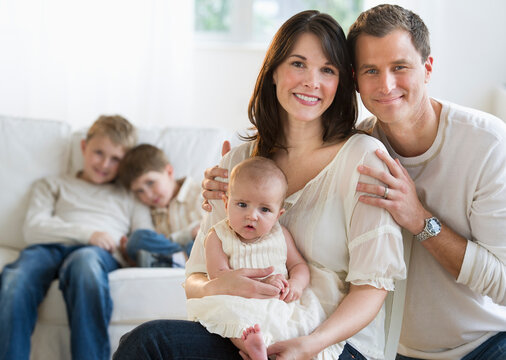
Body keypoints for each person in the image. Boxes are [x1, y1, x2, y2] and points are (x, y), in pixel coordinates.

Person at [113, 10, 406, 360]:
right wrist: (219, 284)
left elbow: (372, 288)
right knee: (146, 343)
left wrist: (308, 346)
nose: (312, 81)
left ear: (341, 82)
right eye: (298, 64)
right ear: (273, 71)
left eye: (327, 70)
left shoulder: (363, 158)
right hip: (250, 331)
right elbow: (194, 280)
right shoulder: (237, 164)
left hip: (331, 341)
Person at [345, 4, 506, 359]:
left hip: (487, 344)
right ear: (355, 79)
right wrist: (230, 191)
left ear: (427, 68)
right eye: (371, 70)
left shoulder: (488, 143)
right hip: (393, 350)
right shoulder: (354, 150)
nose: (386, 85)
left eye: (399, 67)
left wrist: (418, 218)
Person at [0, 115, 154, 360]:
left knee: (85, 266)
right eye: (98, 153)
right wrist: (88, 234)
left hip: (96, 255)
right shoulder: (52, 185)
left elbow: (145, 236)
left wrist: (131, 251)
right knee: (16, 277)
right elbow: (33, 228)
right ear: (83, 147)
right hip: (49, 248)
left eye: (115, 159)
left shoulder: (130, 195)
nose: (104, 164)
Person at [187, 156, 334, 360]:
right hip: (239, 300)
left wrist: (296, 285)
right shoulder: (218, 236)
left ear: (278, 214)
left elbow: (298, 265)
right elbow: (219, 276)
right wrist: (261, 283)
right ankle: (254, 349)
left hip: (278, 302)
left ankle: (276, 349)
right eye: (242, 204)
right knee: (230, 315)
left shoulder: (280, 234)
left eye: (264, 209)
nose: (252, 215)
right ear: (226, 202)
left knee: (303, 318)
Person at [117, 144, 202, 267]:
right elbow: (156, 243)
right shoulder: (149, 212)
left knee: (206, 238)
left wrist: (187, 236)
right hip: (177, 252)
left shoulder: (201, 193)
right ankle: (179, 260)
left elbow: (205, 229)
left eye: (151, 183)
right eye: (139, 191)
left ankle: (179, 259)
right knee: (137, 239)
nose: (148, 195)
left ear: (169, 172)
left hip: (200, 247)